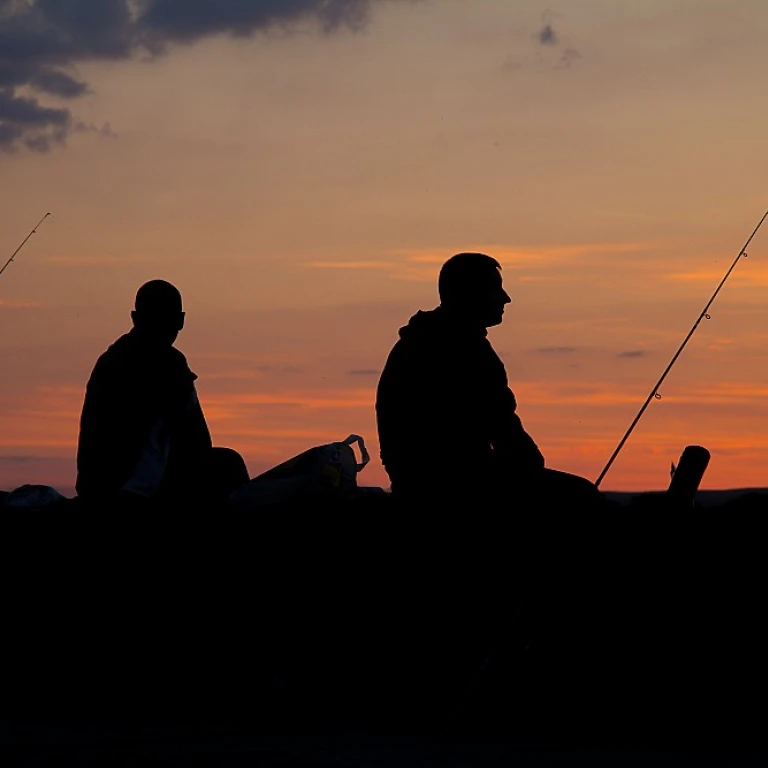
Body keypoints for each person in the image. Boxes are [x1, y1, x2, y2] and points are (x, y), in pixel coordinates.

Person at [375, 252, 602, 509]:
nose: (506, 298)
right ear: (471, 293)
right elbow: (503, 427)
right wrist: (530, 466)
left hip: (419, 482)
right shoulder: (466, 350)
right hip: (456, 485)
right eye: (496, 289)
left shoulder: (417, 342)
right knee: (583, 496)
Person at [76, 279, 248, 507]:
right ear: (180, 321)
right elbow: (195, 438)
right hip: (132, 487)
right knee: (229, 465)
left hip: (103, 484)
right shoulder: (167, 364)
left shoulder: (111, 360)